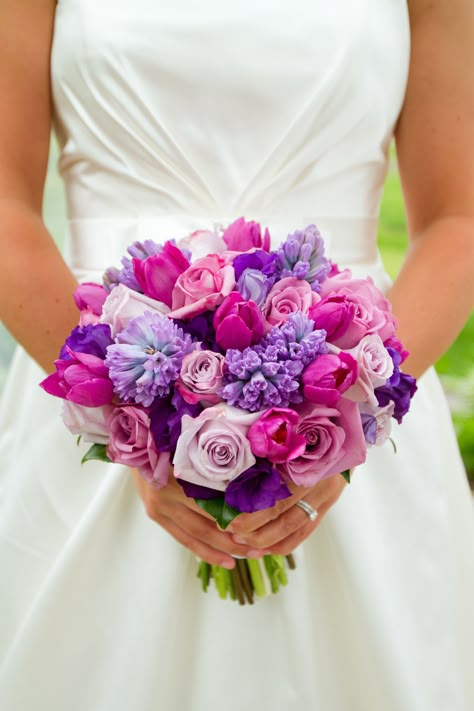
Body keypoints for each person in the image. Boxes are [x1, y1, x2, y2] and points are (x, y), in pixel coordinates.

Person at [0, 1, 473, 709]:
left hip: (356, 421)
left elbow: (457, 220)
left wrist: (344, 420)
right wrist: (130, 421)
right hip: (93, 396)